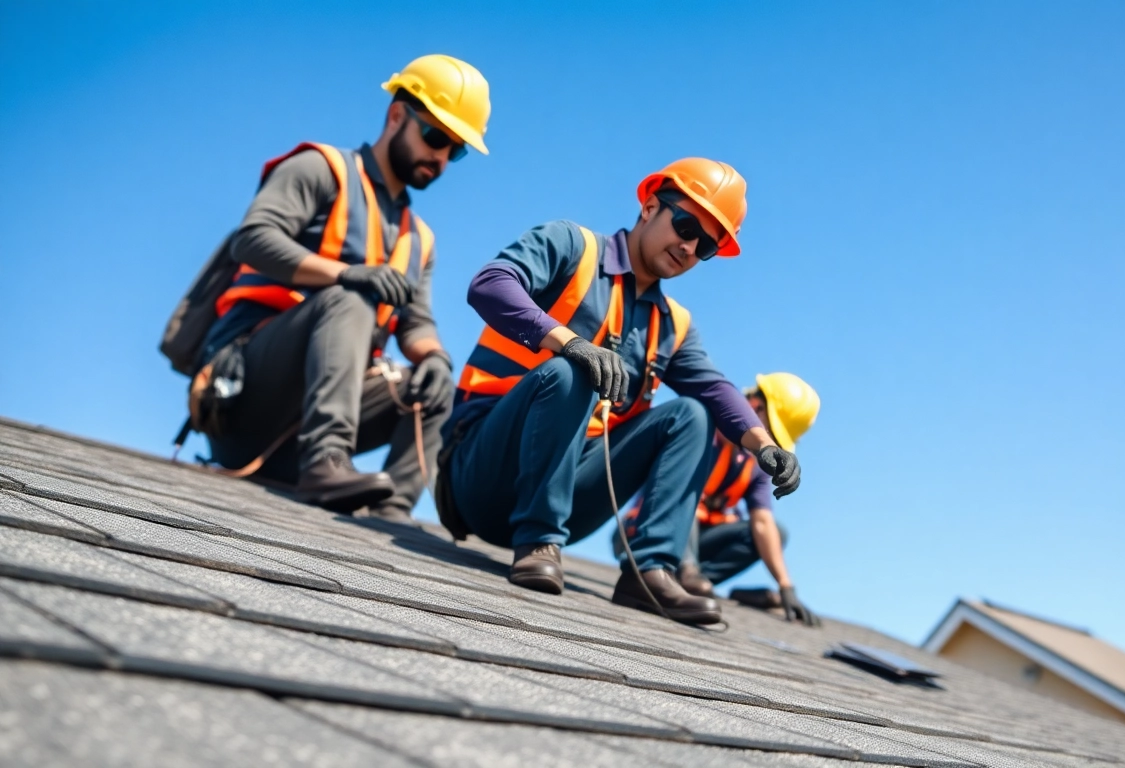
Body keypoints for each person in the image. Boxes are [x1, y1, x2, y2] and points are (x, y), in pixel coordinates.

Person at [436, 159, 802, 625]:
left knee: (692, 415)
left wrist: (764, 445)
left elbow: (714, 388)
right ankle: (538, 539)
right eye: (686, 225)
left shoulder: (673, 326)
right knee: (575, 371)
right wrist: (569, 342)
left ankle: (649, 571)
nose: (689, 247)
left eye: (706, 246)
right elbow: (490, 285)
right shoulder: (572, 247)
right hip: (480, 475)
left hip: (569, 491)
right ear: (650, 206)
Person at [196, 54, 491, 521]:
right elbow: (252, 238)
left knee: (440, 388)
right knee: (350, 299)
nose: (440, 158)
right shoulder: (321, 169)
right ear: (397, 116)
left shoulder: (420, 239)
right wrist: (344, 274)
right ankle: (326, 461)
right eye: (436, 137)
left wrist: (435, 357)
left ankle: (392, 512)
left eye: (455, 151)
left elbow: (416, 322)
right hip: (246, 404)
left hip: (305, 428)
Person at [619, 373, 822, 625]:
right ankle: (686, 574)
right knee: (688, 500)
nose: (767, 442)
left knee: (775, 533)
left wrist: (786, 587)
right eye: (769, 431)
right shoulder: (700, 429)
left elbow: (762, 524)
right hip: (644, 532)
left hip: (699, 539)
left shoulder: (751, 466)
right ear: (753, 406)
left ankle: (693, 580)